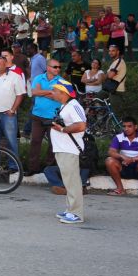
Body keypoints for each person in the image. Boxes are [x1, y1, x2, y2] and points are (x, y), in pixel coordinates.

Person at [49, 82, 88, 224]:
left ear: (63, 93)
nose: (52, 92)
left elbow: (81, 125)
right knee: (68, 181)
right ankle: (70, 210)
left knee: (73, 182)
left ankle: (76, 213)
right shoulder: (65, 106)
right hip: (62, 149)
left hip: (69, 149)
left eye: (54, 90)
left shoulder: (74, 106)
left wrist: (62, 130)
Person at [0, 56, 25, 169]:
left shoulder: (15, 77)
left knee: (11, 140)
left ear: (6, 64)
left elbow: (20, 95)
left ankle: (13, 166)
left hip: (8, 114)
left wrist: (13, 109)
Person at [105, 116, 138, 198]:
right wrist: (122, 157)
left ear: (135, 127)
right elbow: (111, 151)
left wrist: (133, 159)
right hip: (124, 167)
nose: (126, 129)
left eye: (129, 126)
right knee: (109, 160)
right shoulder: (119, 137)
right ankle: (120, 189)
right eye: (124, 126)